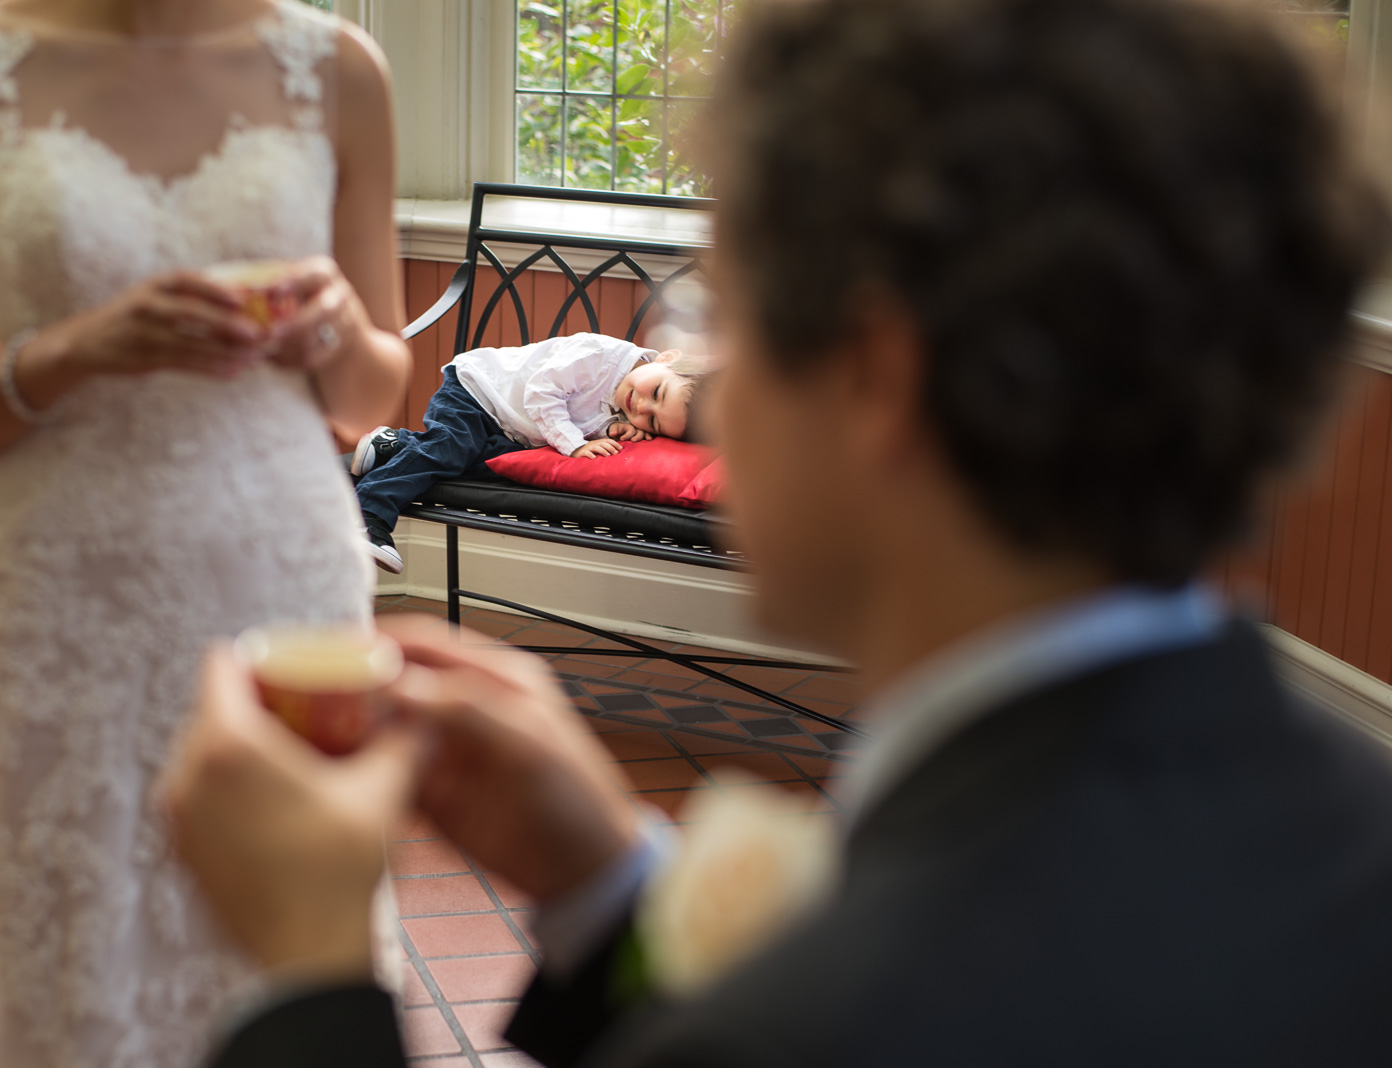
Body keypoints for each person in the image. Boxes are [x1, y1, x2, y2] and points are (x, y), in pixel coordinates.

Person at [163, 0, 1392, 1064]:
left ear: (875, 382)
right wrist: (608, 891)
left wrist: (313, 977)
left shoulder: (819, 1022)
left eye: (723, 321)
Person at [0, 0, 410, 1063]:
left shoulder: (338, 68)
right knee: (65, 955)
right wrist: (79, 347)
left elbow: (371, 398)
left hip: (282, 585)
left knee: (277, 949)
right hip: (56, 597)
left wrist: (337, 324)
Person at [349, 332, 712, 574]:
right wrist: (577, 445)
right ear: (666, 357)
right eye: (658, 392)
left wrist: (614, 429)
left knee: (497, 465)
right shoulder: (601, 356)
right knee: (449, 450)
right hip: (477, 392)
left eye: (653, 421)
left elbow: (590, 420)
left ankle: (393, 447)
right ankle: (370, 514)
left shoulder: (626, 404)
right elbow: (541, 392)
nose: (642, 406)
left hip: (509, 428)